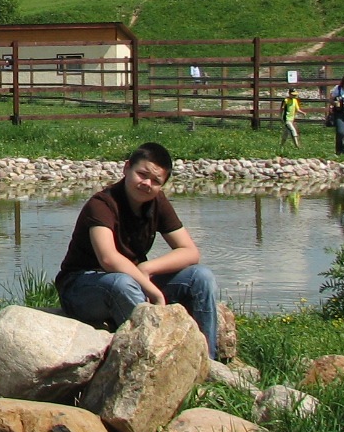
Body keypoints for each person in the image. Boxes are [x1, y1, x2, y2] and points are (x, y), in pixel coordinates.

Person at [56, 142, 221, 359]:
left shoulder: (156, 202)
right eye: (142, 174)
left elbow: (189, 251)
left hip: (133, 280)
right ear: (127, 168)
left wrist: (147, 268)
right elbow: (109, 259)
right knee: (121, 284)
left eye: (155, 181)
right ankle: (154, 360)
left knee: (201, 276)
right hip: (83, 286)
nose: (146, 183)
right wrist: (152, 291)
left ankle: (206, 360)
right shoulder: (102, 204)